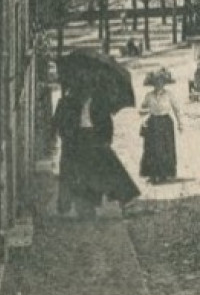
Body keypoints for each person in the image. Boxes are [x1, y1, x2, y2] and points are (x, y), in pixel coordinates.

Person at [52, 71, 139, 218]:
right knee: (78, 173)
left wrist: (106, 141)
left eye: (89, 87)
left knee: (108, 167)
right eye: (82, 87)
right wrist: (66, 136)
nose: (85, 91)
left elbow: (106, 124)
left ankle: (126, 199)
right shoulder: (67, 102)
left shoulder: (99, 102)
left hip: (94, 139)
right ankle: (84, 205)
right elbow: (58, 123)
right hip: (75, 141)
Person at [138, 69, 181, 184]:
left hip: (166, 122)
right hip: (153, 122)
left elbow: (176, 109)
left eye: (161, 82)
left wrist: (180, 123)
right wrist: (146, 112)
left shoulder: (169, 95)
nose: (159, 84)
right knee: (152, 149)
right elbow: (141, 109)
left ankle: (164, 173)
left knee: (165, 148)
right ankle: (152, 174)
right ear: (153, 84)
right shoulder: (148, 96)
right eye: (156, 82)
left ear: (164, 83)